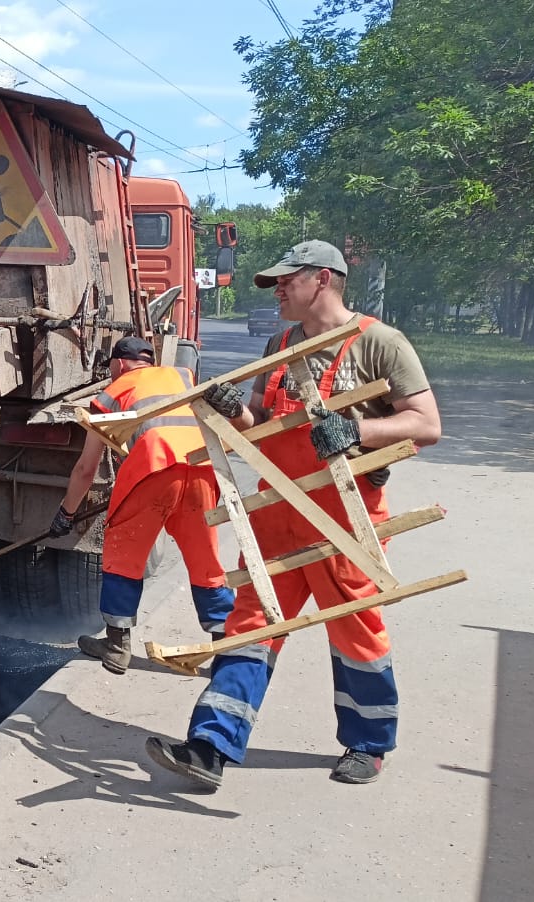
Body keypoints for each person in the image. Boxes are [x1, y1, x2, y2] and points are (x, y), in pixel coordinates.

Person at [145, 240, 442, 789]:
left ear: (322, 280)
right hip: (275, 513)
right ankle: (211, 745)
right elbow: (261, 423)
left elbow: (426, 424)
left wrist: (358, 430)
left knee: (355, 630)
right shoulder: (282, 344)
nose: (277, 290)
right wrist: (239, 409)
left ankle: (369, 743)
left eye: (286, 281)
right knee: (249, 628)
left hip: (345, 519)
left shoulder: (379, 344)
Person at [51, 336, 233, 673]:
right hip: (203, 468)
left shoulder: (113, 391)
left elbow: (86, 469)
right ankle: (227, 649)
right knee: (206, 562)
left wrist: (66, 513)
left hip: (154, 468)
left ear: (119, 365)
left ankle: (117, 645)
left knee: (123, 556)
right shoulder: (182, 375)